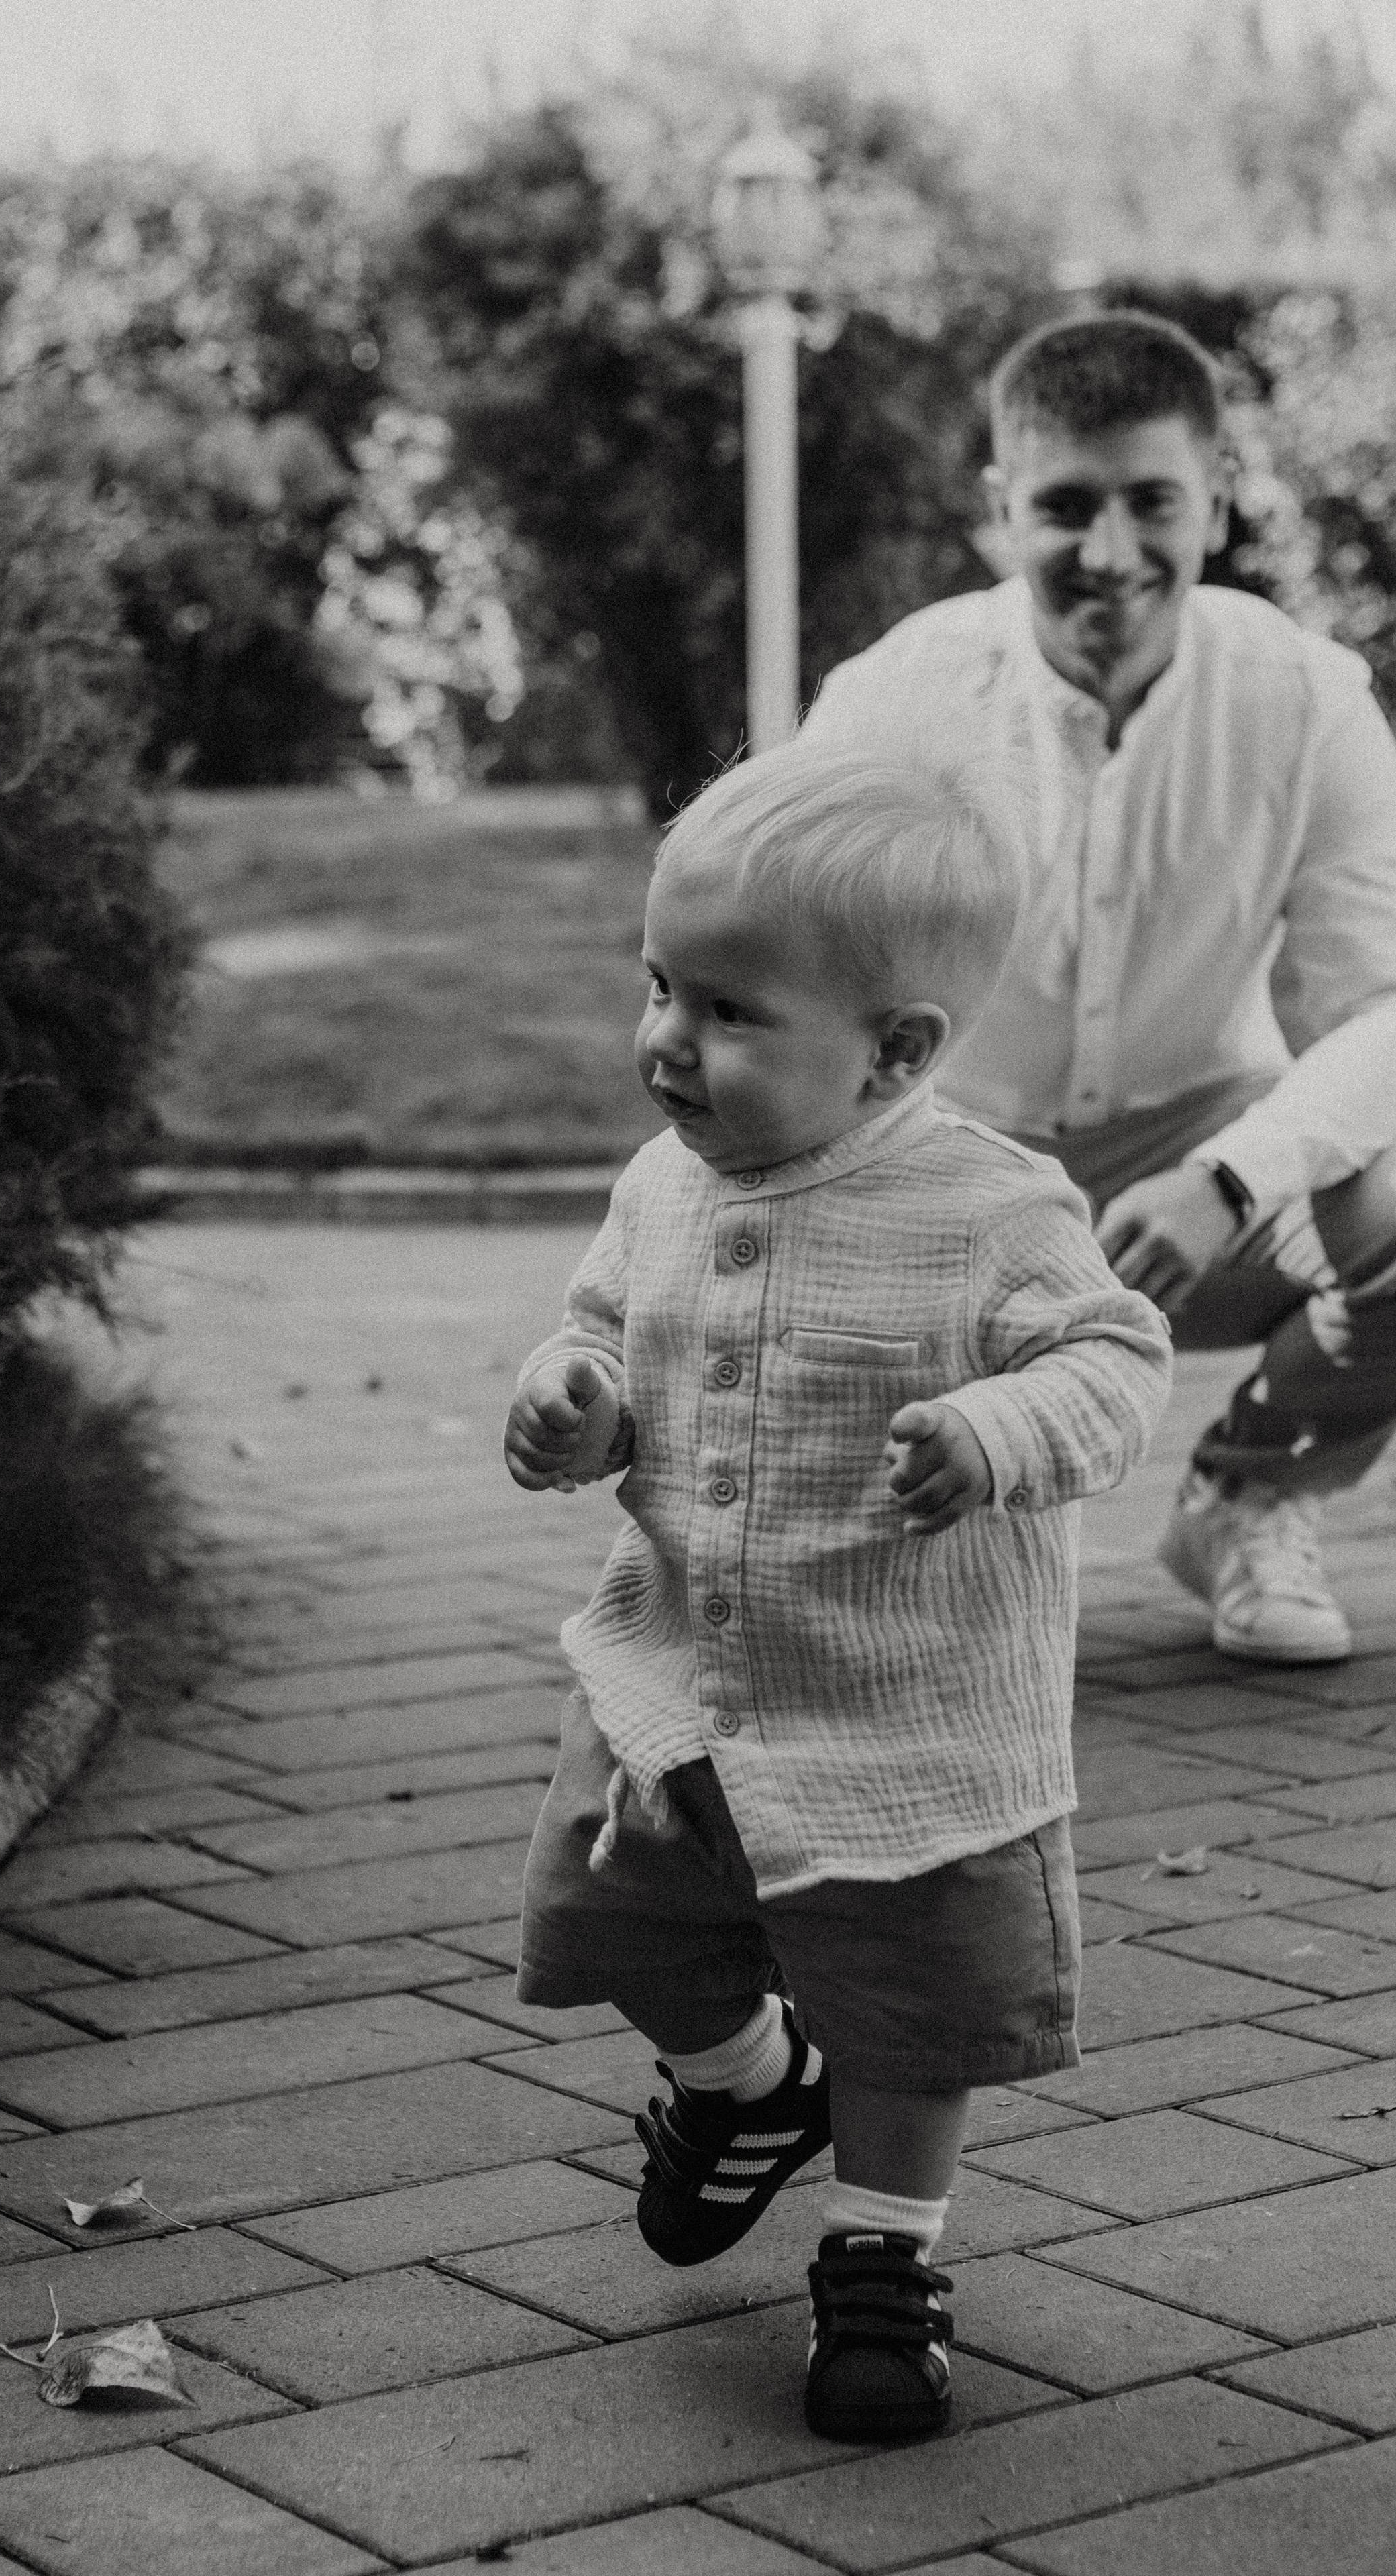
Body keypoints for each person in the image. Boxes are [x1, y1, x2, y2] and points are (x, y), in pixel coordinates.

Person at [504, 745, 1170, 2443]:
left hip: (904, 1716)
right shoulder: (663, 1179)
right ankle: (739, 2087)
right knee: (614, 1926)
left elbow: (1113, 1358)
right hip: (675, 1688)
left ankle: (883, 2252)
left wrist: (999, 1425)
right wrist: (572, 1401)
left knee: (909, 2001)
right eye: (657, 984)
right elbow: (606, 1331)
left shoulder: (990, 1208)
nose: (666, 1039)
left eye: (725, 1011)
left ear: (897, 1052)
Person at [798, 308, 1396, 1666]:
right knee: (894, 1632)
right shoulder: (891, 694)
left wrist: (1231, 1180)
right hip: (942, 1177)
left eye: (1151, 503)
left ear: (1214, 495)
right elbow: (790, 987)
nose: (1111, 554)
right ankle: (935, 1508)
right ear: (997, 508)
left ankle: (1247, 1496)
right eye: (1066, 508)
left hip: (1207, 1160)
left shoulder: (1304, 696)